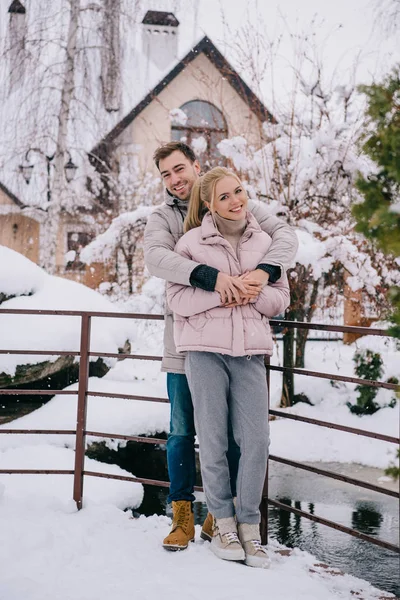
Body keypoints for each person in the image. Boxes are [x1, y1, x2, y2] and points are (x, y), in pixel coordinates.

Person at [144, 142, 298, 551]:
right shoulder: (166, 219)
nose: (175, 179)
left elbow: (283, 235)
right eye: (166, 174)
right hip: (186, 343)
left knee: (233, 436)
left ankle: (220, 514)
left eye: (180, 169)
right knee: (182, 431)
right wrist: (212, 280)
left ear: (196, 167)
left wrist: (264, 273)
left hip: (240, 344)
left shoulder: (235, 201)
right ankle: (182, 515)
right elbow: (156, 258)